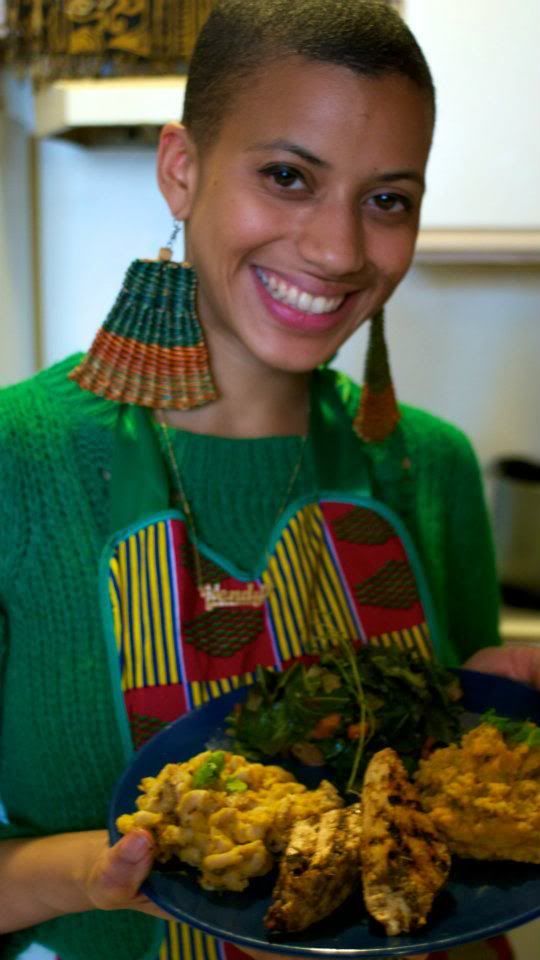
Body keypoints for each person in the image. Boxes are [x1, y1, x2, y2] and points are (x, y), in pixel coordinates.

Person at [0, 2, 538, 959]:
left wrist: (496, 730)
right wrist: (91, 874)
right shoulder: (19, 462)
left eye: (387, 199)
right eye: (288, 176)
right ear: (182, 169)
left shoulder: (431, 465)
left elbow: (464, 835)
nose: (338, 250)